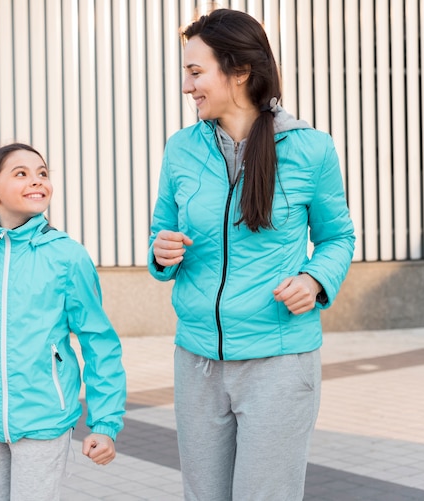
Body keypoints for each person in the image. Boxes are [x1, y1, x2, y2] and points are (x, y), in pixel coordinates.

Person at [148, 9, 355, 501]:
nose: (186, 86)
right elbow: (162, 232)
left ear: (239, 71)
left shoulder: (311, 149)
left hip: (278, 365)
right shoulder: (180, 149)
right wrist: (161, 251)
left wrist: (315, 280)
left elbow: (337, 238)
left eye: (196, 72)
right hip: (197, 361)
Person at [0, 143, 126, 501]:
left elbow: (99, 342)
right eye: (21, 173)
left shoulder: (67, 256)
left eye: (42, 173)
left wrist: (105, 423)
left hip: (44, 419)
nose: (37, 181)